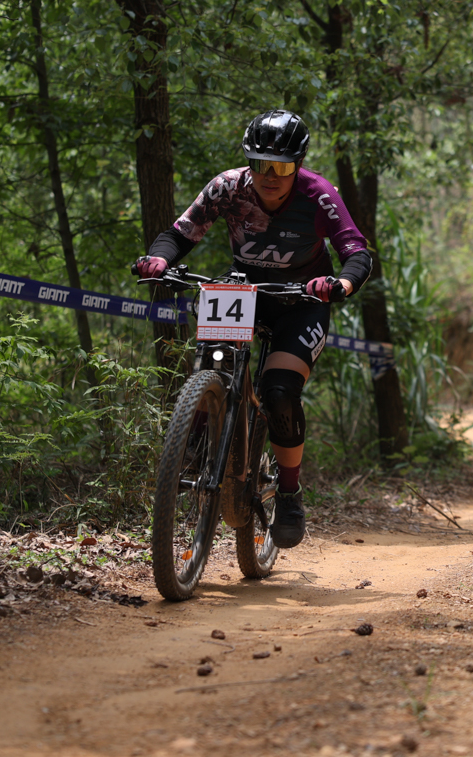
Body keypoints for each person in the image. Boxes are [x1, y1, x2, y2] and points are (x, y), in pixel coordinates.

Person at [133, 110, 372, 549]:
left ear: (297, 165)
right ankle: (196, 440)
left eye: (281, 167)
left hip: (303, 299)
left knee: (280, 392)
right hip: (246, 290)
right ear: (250, 162)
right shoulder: (227, 187)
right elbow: (180, 234)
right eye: (261, 164)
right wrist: (160, 259)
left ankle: (289, 490)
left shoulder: (318, 194)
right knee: (211, 359)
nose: (271, 176)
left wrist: (341, 283)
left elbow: (356, 252)